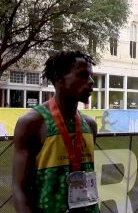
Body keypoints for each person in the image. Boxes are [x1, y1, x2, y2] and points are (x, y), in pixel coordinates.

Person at [12, 51, 99, 213]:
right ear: (59, 78)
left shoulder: (90, 125)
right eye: (83, 75)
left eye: (91, 76)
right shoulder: (32, 123)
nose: (91, 82)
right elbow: (19, 189)